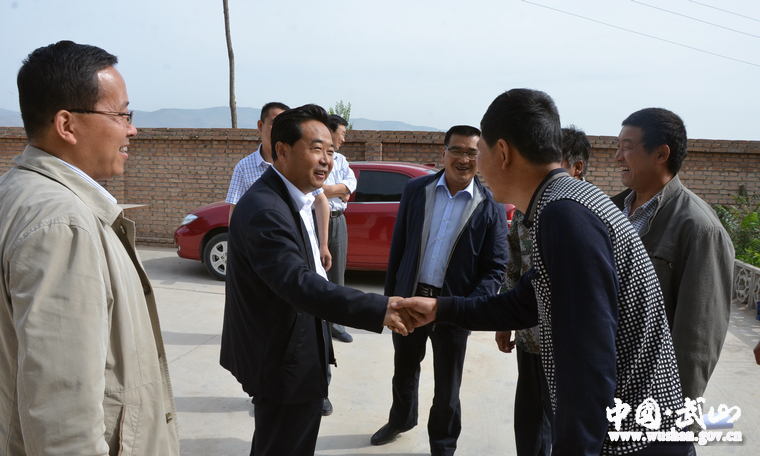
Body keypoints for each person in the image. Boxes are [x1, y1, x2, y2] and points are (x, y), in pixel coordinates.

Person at [394, 89, 692, 455]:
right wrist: (441, 308)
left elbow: (589, 364)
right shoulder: (563, 201)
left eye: (479, 151)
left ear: (503, 153)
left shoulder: (564, 215)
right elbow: (526, 302)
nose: (476, 165)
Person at [0, 41, 178, 454]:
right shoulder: (64, 224)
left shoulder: (18, 191)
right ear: (67, 125)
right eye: (121, 115)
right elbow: (62, 419)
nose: (132, 129)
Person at [219, 104, 413, 456]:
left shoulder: (297, 198)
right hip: (283, 361)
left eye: (331, 151)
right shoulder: (266, 209)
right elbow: (298, 284)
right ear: (282, 151)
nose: (326, 160)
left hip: (296, 350)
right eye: (316, 149)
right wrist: (378, 308)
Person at [371, 125, 509, 455]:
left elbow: (495, 269)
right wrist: (390, 296)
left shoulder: (490, 206)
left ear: (481, 158)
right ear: (443, 153)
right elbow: (399, 246)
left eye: (472, 153)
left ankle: (443, 444)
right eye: (457, 150)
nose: (464, 159)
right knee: (404, 369)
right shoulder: (417, 190)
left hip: (452, 308)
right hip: (410, 298)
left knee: (447, 386)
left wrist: (468, 308)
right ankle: (401, 419)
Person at [610, 108, 734, 404]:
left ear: (661, 154)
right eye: (617, 146)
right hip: (603, 384)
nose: (617, 157)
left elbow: (697, 340)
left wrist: (675, 414)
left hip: (650, 398)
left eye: (627, 147)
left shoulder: (700, 229)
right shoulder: (610, 212)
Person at [494, 125, 591, 456]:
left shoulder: (587, 212)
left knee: (564, 424)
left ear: (577, 167)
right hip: (529, 336)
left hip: (567, 345)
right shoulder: (526, 207)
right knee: (529, 420)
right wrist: (505, 319)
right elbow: (513, 265)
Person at [322, 114, 357, 344]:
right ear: (330, 131)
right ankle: (316, 323)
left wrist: (330, 190)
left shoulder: (342, 160)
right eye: (342, 133)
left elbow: (351, 185)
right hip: (317, 219)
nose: (344, 138)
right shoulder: (316, 157)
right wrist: (339, 191)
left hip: (338, 221)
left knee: (337, 275)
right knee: (315, 272)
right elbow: (317, 189)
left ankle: (336, 325)